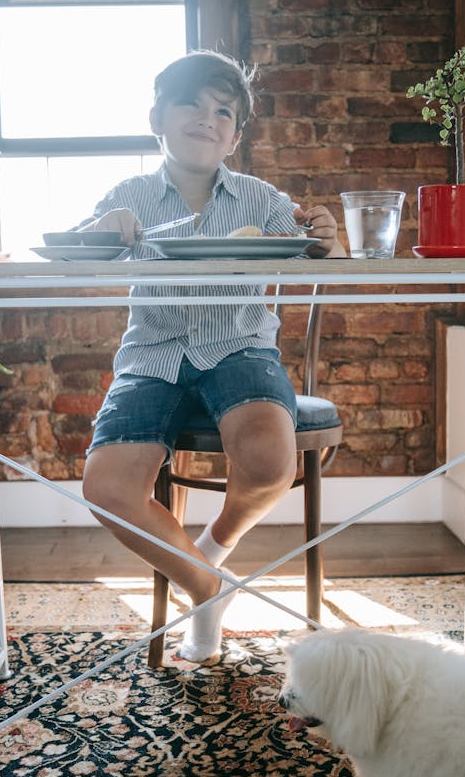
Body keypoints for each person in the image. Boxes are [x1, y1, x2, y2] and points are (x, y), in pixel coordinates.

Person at [79, 50, 345, 662]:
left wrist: (326, 239)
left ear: (235, 135)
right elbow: (82, 243)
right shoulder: (130, 194)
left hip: (240, 348)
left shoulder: (262, 198)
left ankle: (213, 547)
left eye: (222, 110)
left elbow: (314, 251)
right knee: (106, 486)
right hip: (153, 356)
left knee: (271, 463)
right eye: (190, 105)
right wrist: (105, 226)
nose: (206, 118)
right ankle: (206, 587)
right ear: (158, 119)